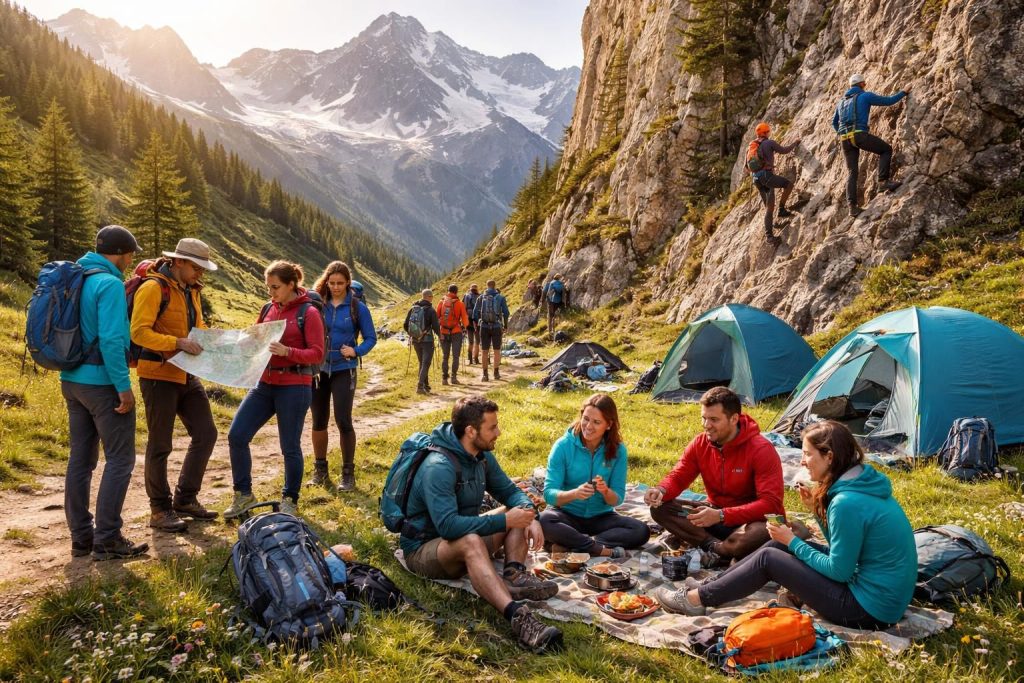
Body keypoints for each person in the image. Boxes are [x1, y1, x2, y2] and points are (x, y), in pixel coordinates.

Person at [655, 421, 918, 630]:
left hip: (866, 610)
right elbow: (843, 548)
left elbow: (839, 571)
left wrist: (792, 541)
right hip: (878, 595)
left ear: (829, 456)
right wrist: (815, 511)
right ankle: (712, 585)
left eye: (807, 454)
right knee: (776, 544)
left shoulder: (847, 502)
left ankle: (695, 600)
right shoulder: (862, 485)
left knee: (772, 556)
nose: (802, 461)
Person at [401, 396, 563, 653]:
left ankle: (513, 575)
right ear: (470, 431)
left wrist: (530, 514)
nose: (498, 432)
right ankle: (519, 618)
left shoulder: (481, 456)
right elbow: (448, 528)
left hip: (461, 537)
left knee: (517, 509)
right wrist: (504, 521)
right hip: (424, 549)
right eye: (492, 427)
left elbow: (510, 491)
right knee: (471, 540)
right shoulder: (438, 467)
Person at [61, 225, 149, 560]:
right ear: (122, 253)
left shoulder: (77, 275)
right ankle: (108, 538)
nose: (130, 260)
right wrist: (123, 388)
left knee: (80, 460)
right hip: (101, 383)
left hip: (71, 380)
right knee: (121, 459)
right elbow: (113, 341)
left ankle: (81, 537)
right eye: (130, 254)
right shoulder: (109, 283)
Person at [130, 238, 220, 532]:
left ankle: (185, 498)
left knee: (206, 433)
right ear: (178, 262)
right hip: (157, 374)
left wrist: (213, 338)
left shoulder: (191, 290)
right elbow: (139, 332)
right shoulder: (153, 288)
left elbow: (197, 328)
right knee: (160, 444)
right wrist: (177, 343)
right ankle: (159, 510)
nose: (200, 274)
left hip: (186, 373)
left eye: (202, 269)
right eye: (196, 267)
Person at [224, 261, 325, 519]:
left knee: (289, 446)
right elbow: (258, 339)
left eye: (276, 287)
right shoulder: (268, 308)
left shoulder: (309, 313)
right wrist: (245, 342)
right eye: (268, 287)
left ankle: (290, 500)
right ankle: (243, 496)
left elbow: (317, 353)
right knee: (237, 435)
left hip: (294, 386)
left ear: (292, 285)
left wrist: (287, 352)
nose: (271, 293)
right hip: (264, 384)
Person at [644, 386, 783, 566]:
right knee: (660, 508)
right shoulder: (700, 443)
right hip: (713, 514)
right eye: (704, 418)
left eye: (714, 419)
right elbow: (679, 476)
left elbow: (771, 504)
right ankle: (717, 548)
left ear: (734, 419)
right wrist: (661, 490)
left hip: (751, 522)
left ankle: (719, 549)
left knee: (765, 531)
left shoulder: (761, 449)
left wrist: (722, 515)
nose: (706, 425)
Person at [540, 394, 650, 558]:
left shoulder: (618, 450)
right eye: (585, 419)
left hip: (601, 518)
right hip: (567, 515)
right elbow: (549, 495)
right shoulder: (562, 446)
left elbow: (618, 499)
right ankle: (597, 548)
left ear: (609, 425)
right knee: (543, 520)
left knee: (641, 531)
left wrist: (606, 491)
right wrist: (575, 494)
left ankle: (574, 544)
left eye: (596, 422)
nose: (588, 426)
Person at [308, 261, 377, 491]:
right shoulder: (318, 304)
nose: (336, 287)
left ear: (348, 282)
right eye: (332, 283)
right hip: (318, 370)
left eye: (340, 283)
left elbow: (371, 338)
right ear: (326, 281)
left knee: (343, 420)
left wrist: (355, 351)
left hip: (343, 369)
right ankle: (320, 471)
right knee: (318, 421)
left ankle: (348, 474)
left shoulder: (357, 308)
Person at [832, 73, 909, 217]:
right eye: (864, 84)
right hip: (859, 135)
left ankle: (852, 207)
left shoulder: (841, 102)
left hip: (845, 140)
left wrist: (841, 132)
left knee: (851, 172)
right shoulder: (865, 96)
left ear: (850, 86)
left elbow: (834, 123)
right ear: (862, 84)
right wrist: (903, 92)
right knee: (886, 150)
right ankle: (883, 182)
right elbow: (888, 101)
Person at [748, 122, 800, 244]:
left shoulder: (752, 146)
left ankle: (770, 235)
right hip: (766, 176)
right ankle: (781, 210)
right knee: (788, 185)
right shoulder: (769, 143)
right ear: (766, 133)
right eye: (768, 131)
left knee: (769, 207)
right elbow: (784, 150)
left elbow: (747, 167)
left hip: (756, 179)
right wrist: (795, 143)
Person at [404, 289, 440, 395]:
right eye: (431, 296)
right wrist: (440, 335)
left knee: (422, 362)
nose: (432, 298)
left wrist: (414, 334)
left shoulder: (413, 308)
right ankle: (420, 386)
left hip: (415, 341)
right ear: (428, 297)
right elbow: (436, 326)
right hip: (427, 341)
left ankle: (425, 385)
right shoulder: (430, 310)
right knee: (426, 363)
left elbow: (406, 325)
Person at [473, 279, 509, 382]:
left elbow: (474, 313)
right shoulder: (501, 297)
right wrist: (505, 325)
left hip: (484, 326)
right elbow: (506, 313)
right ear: (494, 286)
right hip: (497, 326)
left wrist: (479, 322)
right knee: (497, 351)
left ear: (487, 286)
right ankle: (496, 373)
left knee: (484, 351)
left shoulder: (480, 297)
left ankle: (485, 375)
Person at [436, 284, 469, 386]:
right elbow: (465, 320)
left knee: (445, 356)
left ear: (448, 291)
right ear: (456, 292)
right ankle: (454, 377)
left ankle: (444, 379)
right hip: (456, 332)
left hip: (444, 332)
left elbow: (437, 317)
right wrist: (464, 327)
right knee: (455, 356)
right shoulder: (460, 304)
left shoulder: (441, 302)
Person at [462, 283, 481, 366]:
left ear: (470, 289)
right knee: (477, 341)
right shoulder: (480, 296)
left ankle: (469, 358)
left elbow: (463, 307)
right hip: (478, 321)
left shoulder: (466, 296)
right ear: (477, 289)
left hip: (469, 320)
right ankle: (476, 359)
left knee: (470, 341)